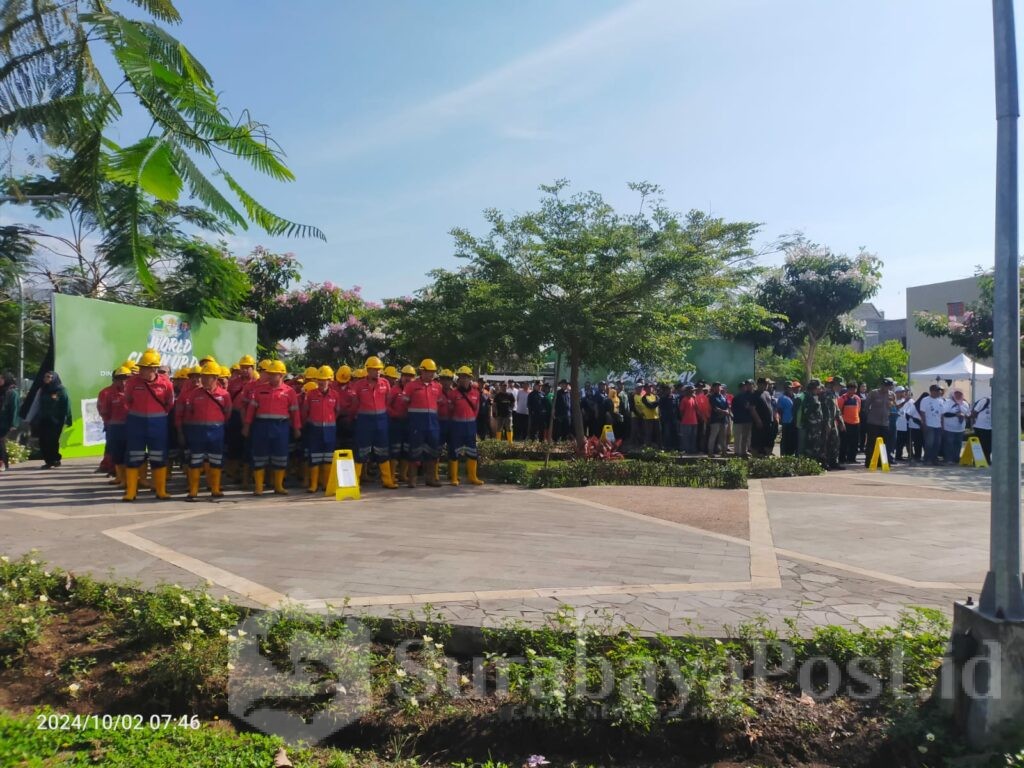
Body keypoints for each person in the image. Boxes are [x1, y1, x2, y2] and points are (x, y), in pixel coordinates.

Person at [242, 359, 301, 495]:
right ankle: (258, 487)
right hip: (261, 426)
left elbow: (295, 411)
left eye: (274, 374)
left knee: (280, 455)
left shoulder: (289, 392)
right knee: (259, 455)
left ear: (282, 375)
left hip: (281, 426)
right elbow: (251, 409)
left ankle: (278, 486)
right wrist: (246, 425)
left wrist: (297, 428)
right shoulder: (259, 390)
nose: (270, 376)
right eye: (269, 373)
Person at [123, 350, 174, 501]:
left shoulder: (166, 384)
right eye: (141, 367)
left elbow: (169, 403)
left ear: (153, 369)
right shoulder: (132, 382)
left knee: (159, 456)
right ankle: (131, 492)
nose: (141, 370)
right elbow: (127, 400)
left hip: (158, 425)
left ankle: (161, 491)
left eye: (144, 368)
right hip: (136, 424)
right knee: (134, 456)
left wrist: (156, 414)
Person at [177, 360, 231, 499]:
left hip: (216, 431)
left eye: (208, 377)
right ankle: (193, 490)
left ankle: (215, 489)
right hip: (197, 431)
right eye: (203, 377)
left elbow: (227, 413)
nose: (204, 380)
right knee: (195, 460)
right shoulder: (194, 394)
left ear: (215, 378)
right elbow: (189, 413)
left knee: (216, 460)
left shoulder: (224, 395)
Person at [350, 356, 397, 488]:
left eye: (379, 370)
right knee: (361, 450)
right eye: (374, 369)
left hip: (381, 421)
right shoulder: (358, 385)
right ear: (368, 370)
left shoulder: (385, 383)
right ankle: (355, 482)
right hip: (364, 422)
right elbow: (355, 403)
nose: (377, 372)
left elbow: (387, 401)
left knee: (383, 449)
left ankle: (387, 481)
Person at [404, 359, 443, 488]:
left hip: (432, 424)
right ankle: (412, 479)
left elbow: (439, 403)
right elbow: (404, 402)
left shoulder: (437, 386)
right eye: (428, 372)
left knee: (433, 452)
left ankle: (430, 478)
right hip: (416, 424)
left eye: (433, 372)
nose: (431, 375)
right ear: (422, 371)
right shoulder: (411, 386)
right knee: (414, 452)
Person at [302, 365, 342, 493]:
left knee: (328, 458)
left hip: (330, 430)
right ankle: (313, 484)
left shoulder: (335, 395)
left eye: (325, 379)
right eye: (320, 379)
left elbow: (337, 411)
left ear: (330, 380)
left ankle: (326, 484)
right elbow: (305, 411)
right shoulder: (310, 394)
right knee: (315, 457)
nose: (322, 382)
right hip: (315, 430)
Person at [447, 366, 485, 485]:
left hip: (470, 427)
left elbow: (477, 410)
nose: (464, 380)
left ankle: (472, 477)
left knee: (472, 452)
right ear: (459, 379)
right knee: (454, 452)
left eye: (466, 377)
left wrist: (470, 420)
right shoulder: (453, 393)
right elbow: (449, 410)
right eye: (462, 377)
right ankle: (454, 477)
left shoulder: (476, 393)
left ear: (470, 378)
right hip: (457, 427)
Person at [33, 371, 72, 470]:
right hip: (43, 419)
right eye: (46, 377)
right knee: (42, 441)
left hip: (56, 420)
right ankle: (49, 460)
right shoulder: (43, 390)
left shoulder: (61, 390)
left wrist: (68, 418)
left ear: (54, 378)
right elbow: (37, 404)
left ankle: (54, 460)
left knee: (52, 441)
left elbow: (66, 404)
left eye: (49, 377)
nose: (47, 379)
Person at [861, 378, 894, 467]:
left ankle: (882, 462)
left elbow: (892, 406)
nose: (887, 388)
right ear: (882, 385)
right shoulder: (874, 393)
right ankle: (869, 462)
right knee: (871, 443)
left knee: (883, 443)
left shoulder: (891, 395)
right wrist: (868, 418)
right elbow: (866, 407)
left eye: (889, 386)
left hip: (885, 423)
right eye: (886, 386)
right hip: (873, 422)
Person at [918, 384, 946, 465]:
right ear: (932, 391)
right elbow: (922, 412)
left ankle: (934, 459)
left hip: (938, 425)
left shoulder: (941, 400)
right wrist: (924, 423)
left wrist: (942, 425)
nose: (939, 392)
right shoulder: (925, 400)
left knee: (937, 443)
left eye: (939, 390)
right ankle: (927, 459)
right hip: (929, 425)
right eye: (937, 390)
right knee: (929, 443)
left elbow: (942, 414)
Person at [0, 371, 21, 472]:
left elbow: (15, 409)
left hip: (5, 422)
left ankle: (3, 463)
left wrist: (13, 424)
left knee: (0, 442)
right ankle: (4, 462)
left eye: (1, 379)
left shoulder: (12, 393)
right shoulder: (1, 391)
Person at [942, 389, 970, 464]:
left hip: (960, 428)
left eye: (960, 394)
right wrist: (956, 414)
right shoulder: (948, 402)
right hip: (949, 428)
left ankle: (956, 458)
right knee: (949, 443)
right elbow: (944, 414)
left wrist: (965, 416)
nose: (958, 395)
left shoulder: (965, 404)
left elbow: (968, 414)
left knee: (958, 444)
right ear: (953, 394)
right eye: (956, 393)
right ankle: (948, 459)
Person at [750, 378, 776, 456]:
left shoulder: (767, 393)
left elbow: (770, 406)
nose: (767, 386)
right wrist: (758, 420)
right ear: (759, 384)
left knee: (768, 442)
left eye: (767, 384)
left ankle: (766, 457)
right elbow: (752, 409)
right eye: (765, 384)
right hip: (760, 423)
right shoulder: (754, 395)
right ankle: (756, 458)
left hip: (769, 422)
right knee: (757, 443)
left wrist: (774, 416)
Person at [730, 380, 755, 458]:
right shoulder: (737, 397)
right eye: (743, 386)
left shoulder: (751, 396)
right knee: (738, 437)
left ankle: (745, 451)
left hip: (747, 420)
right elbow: (733, 409)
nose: (744, 387)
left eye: (745, 386)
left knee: (747, 437)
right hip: (739, 420)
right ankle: (737, 452)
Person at [839, 382, 862, 464]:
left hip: (856, 423)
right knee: (844, 442)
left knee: (855, 442)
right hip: (845, 423)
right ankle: (842, 459)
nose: (852, 390)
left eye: (854, 389)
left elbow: (858, 410)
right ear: (848, 389)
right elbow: (839, 412)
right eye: (851, 388)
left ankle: (852, 458)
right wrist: (841, 423)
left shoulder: (857, 398)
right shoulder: (842, 398)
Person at [707, 382, 730, 457]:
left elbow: (727, 406)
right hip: (715, 420)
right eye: (715, 386)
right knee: (713, 436)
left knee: (723, 437)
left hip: (724, 420)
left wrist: (726, 411)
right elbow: (715, 408)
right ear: (713, 388)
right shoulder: (712, 397)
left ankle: (724, 452)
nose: (717, 388)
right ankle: (710, 452)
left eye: (718, 386)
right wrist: (724, 411)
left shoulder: (723, 397)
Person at [971, 391, 993, 464]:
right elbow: (974, 411)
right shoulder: (985, 400)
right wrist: (973, 422)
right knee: (980, 444)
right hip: (980, 426)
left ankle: (987, 460)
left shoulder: (999, 402)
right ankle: (977, 461)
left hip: (990, 427)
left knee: (988, 445)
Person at [777, 382, 797, 456]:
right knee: (785, 439)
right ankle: (783, 455)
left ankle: (790, 454)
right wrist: (781, 419)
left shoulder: (794, 396)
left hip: (794, 421)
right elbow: (779, 410)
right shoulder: (782, 398)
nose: (790, 389)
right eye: (788, 388)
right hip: (786, 421)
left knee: (792, 439)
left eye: (791, 387)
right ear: (785, 388)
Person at [677, 384, 698, 454]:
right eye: (692, 391)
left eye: (693, 391)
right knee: (686, 437)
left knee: (693, 437)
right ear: (688, 391)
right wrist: (684, 418)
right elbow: (681, 411)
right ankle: (686, 450)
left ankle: (692, 450)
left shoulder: (693, 399)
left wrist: (695, 399)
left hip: (694, 421)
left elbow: (696, 409)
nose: (693, 392)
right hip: (686, 422)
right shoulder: (684, 400)